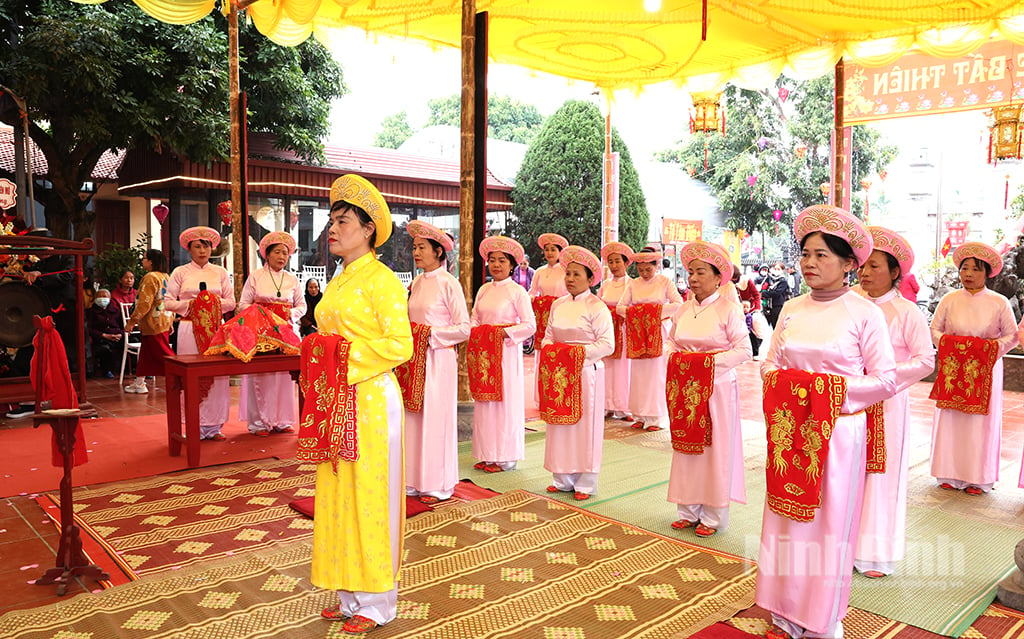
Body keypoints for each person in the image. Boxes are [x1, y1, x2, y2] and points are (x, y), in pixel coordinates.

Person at [757, 205, 896, 639]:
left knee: (827, 523)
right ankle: (784, 612)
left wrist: (829, 395)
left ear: (849, 264)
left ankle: (821, 620)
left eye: (822, 256)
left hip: (837, 434)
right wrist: (796, 390)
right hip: (792, 428)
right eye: (805, 254)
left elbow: (886, 379)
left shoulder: (865, 313)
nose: (810, 263)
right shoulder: (793, 308)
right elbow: (769, 364)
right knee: (786, 519)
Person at [300, 174, 412, 634]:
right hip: (337, 400)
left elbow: (399, 344)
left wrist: (338, 359)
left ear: (369, 229)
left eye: (342, 220)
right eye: (331, 219)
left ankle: (378, 601)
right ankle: (348, 592)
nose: (333, 227)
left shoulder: (382, 280)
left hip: (370, 400)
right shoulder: (341, 279)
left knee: (370, 495)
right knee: (338, 494)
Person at [852, 227, 934, 578]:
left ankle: (874, 553)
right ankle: (841, 544)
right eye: (862, 265)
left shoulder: (906, 313)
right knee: (845, 470)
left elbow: (925, 360)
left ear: (895, 272)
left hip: (886, 406)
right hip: (846, 401)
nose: (865, 272)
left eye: (875, 266)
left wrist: (882, 376)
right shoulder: (848, 305)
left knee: (881, 476)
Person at [665, 242, 751, 537]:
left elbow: (744, 350)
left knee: (714, 449)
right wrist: (678, 359)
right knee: (686, 448)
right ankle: (687, 510)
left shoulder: (728, 310)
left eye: (701, 272)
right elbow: (671, 342)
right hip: (686, 389)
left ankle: (712, 516)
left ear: (718, 278)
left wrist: (706, 364)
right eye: (691, 272)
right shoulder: (683, 309)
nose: (693, 279)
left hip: (717, 388)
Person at [928, 242, 1017, 495]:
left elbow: (1011, 337)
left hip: (985, 370)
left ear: (987, 273)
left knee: (980, 424)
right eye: (964, 268)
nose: (968, 274)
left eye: (975, 270)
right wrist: (953, 347)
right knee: (951, 421)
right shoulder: (950, 299)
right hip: (954, 368)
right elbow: (935, 329)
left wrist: (984, 353)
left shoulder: (999, 302)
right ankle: (947, 473)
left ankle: (978, 478)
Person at [403, 220, 470, 504]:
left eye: (422, 248)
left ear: (439, 252)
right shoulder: (416, 282)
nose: (416, 252)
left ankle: (437, 483)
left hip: (437, 359)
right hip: (413, 360)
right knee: (413, 419)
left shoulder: (449, 283)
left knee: (435, 418)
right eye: (415, 247)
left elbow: (463, 328)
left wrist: (428, 335)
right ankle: (412, 479)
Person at [541, 246, 614, 500]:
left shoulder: (597, 307)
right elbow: (548, 336)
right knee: (559, 426)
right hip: (560, 373)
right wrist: (555, 353)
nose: (570, 279)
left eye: (576, 275)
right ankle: (561, 478)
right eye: (568, 274)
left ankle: (585, 482)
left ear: (590, 279)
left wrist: (575, 355)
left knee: (585, 427)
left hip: (586, 374)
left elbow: (607, 344)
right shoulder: (558, 305)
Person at [470, 235, 536, 473]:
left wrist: (503, 334)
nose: (496, 265)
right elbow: (475, 317)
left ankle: (506, 458)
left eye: (501, 261)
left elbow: (530, 325)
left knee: (504, 404)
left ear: (512, 265)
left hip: (505, 354)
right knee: (485, 404)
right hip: (485, 355)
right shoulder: (484, 289)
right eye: (492, 260)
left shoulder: (517, 291)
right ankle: (487, 454)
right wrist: (476, 331)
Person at [164, 226, 236, 441]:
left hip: (215, 329)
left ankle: (214, 427)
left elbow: (231, 301)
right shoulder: (180, 272)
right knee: (192, 374)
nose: (202, 250)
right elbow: (168, 302)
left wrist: (210, 303)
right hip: (189, 328)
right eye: (197, 246)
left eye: (206, 246)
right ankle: (192, 425)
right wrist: (194, 305)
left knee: (217, 376)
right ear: (189, 249)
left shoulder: (220, 272)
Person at [237, 232, 305, 437]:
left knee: (283, 378)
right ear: (267, 254)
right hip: (260, 333)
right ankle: (259, 423)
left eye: (285, 253)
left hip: (285, 333)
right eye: (277, 252)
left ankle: (282, 421)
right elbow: (242, 305)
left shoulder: (292, 279)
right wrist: (261, 315)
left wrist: (287, 313)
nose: (282, 256)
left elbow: (301, 306)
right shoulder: (256, 276)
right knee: (261, 376)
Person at [616, 248, 683, 432]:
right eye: (641, 269)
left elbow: (678, 304)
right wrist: (641, 314)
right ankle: (638, 415)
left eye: (648, 269)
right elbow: (620, 307)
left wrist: (653, 312)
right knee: (638, 375)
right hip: (637, 333)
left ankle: (656, 418)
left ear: (657, 266)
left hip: (658, 332)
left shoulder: (664, 281)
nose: (644, 274)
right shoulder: (633, 284)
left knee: (656, 375)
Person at [124, 249, 174, 394]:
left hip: (153, 321)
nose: (143, 261)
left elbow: (144, 302)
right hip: (164, 319)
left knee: (163, 354)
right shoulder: (166, 276)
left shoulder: (150, 277)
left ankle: (181, 377)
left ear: (151, 261)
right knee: (146, 353)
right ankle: (139, 382)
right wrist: (170, 322)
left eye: (145, 258)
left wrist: (132, 321)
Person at [529, 233, 569, 406]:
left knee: (558, 355)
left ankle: (557, 394)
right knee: (542, 355)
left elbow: (569, 294)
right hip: (543, 318)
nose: (550, 253)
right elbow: (532, 292)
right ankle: (541, 397)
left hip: (560, 316)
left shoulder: (566, 271)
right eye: (547, 250)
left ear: (560, 251)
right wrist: (536, 301)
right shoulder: (539, 271)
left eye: (554, 249)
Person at [597, 241, 634, 421]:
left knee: (622, 367)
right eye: (610, 261)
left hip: (623, 329)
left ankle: (623, 407)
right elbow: (598, 304)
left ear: (626, 263)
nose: (613, 265)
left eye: (617, 261)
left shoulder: (632, 284)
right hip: (606, 329)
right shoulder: (605, 284)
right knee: (607, 366)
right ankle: (606, 405)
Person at [85, 288, 123, 378]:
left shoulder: (116, 311)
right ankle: (107, 371)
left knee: (134, 342)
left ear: (109, 298)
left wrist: (120, 334)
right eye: (100, 297)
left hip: (118, 336)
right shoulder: (91, 312)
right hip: (101, 338)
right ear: (95, 298)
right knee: (104, 349)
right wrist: (104, 335)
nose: (102, 299)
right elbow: (88, 328)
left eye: (104, 297)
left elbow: (123, 326)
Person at [760, 262, 791, 327]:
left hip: (777, 305)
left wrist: (763, 294)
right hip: (767, 305)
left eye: (778, 269)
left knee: (776, 325)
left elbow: (777, 293)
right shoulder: (769, 278)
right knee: (766, 325)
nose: (776, 270)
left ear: (782, 270)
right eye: (775, 268)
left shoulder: (783, 281)